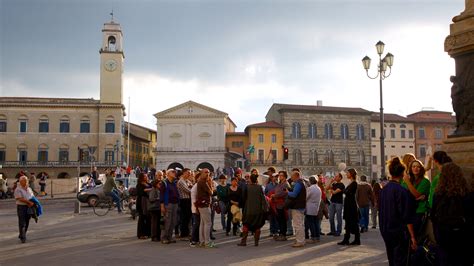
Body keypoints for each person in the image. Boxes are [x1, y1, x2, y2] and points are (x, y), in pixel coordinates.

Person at [431, 162, 473, 265]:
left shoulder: (438, 194)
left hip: (443, 235)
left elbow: (433, 216)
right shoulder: (466, 193)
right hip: (462, 236)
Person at [379, 157, 417, 266]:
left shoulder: (384, 190)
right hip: (398, 232)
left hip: (386, 230)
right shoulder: (402, 191)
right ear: (402, 173)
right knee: (400, 260)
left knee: (391, 258)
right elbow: (406, 216)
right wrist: (413, 237)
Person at [402, 159, 430, 240]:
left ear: (421, 169)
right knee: (407, 237)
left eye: (418, 167)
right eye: (413, 166)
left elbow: (416, 194)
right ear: (410, 168)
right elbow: (404, 195)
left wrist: (408, 183)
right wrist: (416, 197)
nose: (415, 168)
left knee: (416, 236)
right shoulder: (407, 181)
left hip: (419, 212)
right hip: (407, 211)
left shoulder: (425, 181)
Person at [238, 171, 267, 247]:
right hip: (258, 210)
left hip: (248, 210)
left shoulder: (247, 187)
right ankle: (256, 242)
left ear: (251, 180)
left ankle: (243, 242)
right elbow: (263, 199)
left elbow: (243, 198)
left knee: (246, 225)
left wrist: (241, 206)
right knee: (257, 226)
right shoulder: (260, 187)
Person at [338, 168, 360, 245]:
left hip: (351, 205)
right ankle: (346, 239)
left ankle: (357, 239)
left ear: (351, 174)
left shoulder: (354, 183)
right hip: (349, 205)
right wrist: (344, 191)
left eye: (348, 173)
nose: (346, 174)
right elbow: (346, 191)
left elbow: (348, 192)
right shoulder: (351, 182)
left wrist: (344, 190)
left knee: (353, 222)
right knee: (348, 222)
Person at [287, 169, 307, 248]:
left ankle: (300, 241)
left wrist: (287, 192)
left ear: (296, 176)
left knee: (297, 225)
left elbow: (294, 194)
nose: (291, 178)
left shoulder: (298, 184)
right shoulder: (302, 183)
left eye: (292, 177)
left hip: (297, 207)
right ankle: (301, 240)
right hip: (301, 206)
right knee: (300, 224)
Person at [196, 168, 215, 248]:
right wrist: (210, 183)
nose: (207, 174)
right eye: (205, 172)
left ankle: (202, 241)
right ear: (201, 173)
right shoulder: (203, 182)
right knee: (208, 223)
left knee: (203, 223)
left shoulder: (200, 181)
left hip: (201, 204)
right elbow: (211, 192)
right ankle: (207, 242)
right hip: (205, 204)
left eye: (208, 172)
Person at [160, 168, 180, 244]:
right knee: (167, 221)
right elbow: (161, 195)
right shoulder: (164, 183)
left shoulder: (174, 183)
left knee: (173, 222)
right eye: (173, 172)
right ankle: (164, 237)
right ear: (168, 174)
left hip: (175, 204)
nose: (175, 173)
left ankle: (170, 237)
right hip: (168, 204)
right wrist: (162, 206)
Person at [14, 175, 35, 243]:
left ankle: (22, 234)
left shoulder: (29, 189)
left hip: (29, 207)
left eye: (27, 180)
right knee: (22, 222)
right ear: (20, 182)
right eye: (24, 181)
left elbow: (32, 196)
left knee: (27, 222)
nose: (26, 182)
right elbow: (20, 198)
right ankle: (23, 237)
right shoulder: (18, 189)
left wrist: (34, 203)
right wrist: (28, 202)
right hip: (21, 207)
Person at [271, 170, 290, 241]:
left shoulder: (285, 184)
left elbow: (284, 193)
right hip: (278, 204)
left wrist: (274, 195)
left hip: (282, 204)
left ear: (284, 176)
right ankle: (281, 234)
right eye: (279, 175)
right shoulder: (280, 183)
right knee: (279, 220)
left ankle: (283, 235)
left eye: (281, 175)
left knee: (282, 220)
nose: (280, 177)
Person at [305, 175, 321, 244]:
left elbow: (306, 197)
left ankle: (313, 237)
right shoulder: (318, 188)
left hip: (310, 207)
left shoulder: (310, 188)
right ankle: (317, 237)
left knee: (311, 223)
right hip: (316, 207)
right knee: (316, 223)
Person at [177, 168, 193, 239]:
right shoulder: (181, 181)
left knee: (188, 217)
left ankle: (187, 232)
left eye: (190, 173)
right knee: (184, 218)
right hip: (184, 200)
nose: (190, 174)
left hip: (188, 200)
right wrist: (192, 188)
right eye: (188, 173)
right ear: (183, 173)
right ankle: (183, 234)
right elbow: (189, 191)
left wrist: (191, 187)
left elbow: (191, 187)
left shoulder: (187, 180)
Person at [136, 172, 152, 239]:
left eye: (146, 176)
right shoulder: (139, 184)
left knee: (148, 218)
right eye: (144, 176)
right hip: (141, 202)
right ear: (141, 177)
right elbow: (141, 192)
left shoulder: (148, 183)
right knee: (142, 218)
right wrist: (150, 189)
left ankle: (148, 233)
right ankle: (141, 234)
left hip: (148, 202)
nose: (146, 177)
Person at [264, 167, 279, 237]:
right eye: (274, 177)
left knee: (276, 218)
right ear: (272, 178)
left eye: (276, 177)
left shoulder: (279, 185)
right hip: (270, 204)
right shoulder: (268, 185)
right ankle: (271, 231)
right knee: (271, 218)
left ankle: (276, 231)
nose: (275, 178)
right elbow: (265, 194)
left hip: (277, 204)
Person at [189, 172, 201, 247]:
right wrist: (196, 209)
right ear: (197, 178)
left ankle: (197, 239)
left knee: (199, 224)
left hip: (199, 208)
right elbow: (194, 199)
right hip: (195, 209)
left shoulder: (199, 185)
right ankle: (193, 240)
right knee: (196, 224)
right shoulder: (195, 187)